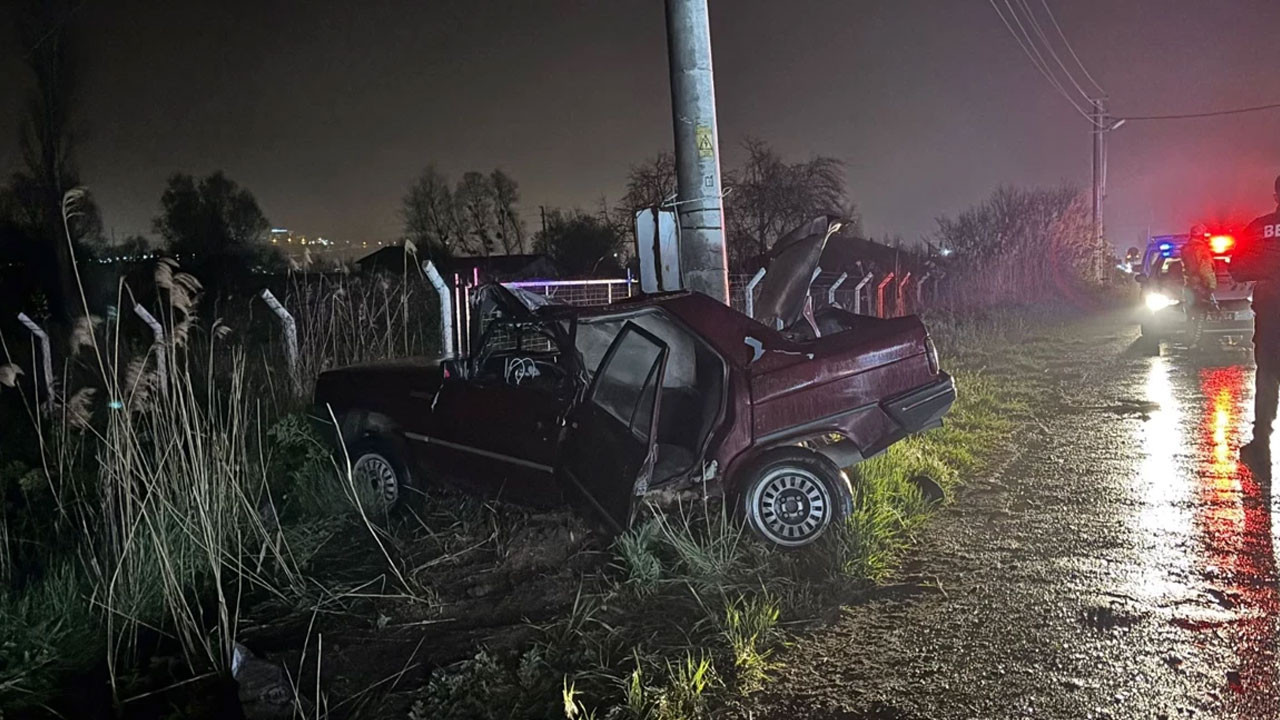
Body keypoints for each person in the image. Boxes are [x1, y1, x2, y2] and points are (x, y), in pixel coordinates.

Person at [1232, 175, 1280, 479]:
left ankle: (1261, 442)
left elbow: (1236, 267)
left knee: (1268, 375)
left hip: (1271, 311)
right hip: (1271, 309)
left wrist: (1268, 271)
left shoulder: (1259, 228)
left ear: (1276, 195)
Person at [1182, 224, 1218, 345]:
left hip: (1189, 286)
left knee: (1192, 315)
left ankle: (1190, 338)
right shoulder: (1200, 249)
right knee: (1201, 315)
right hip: (1200, 286)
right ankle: (1198, 341)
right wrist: (1211, 285)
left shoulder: (1186, 248)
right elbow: (1205, 268)